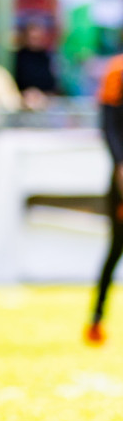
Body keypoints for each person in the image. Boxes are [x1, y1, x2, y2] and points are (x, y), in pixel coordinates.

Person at [85, 54, 123, 345]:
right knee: (116, 246)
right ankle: (97, 318)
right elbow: (108, 125)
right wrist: (120, 165)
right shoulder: (117, 70)